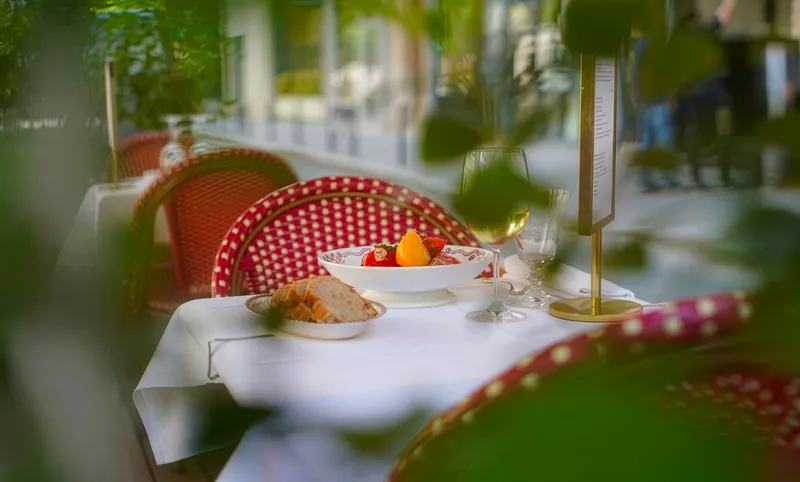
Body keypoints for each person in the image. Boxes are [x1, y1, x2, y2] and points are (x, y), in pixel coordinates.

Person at [674, 0, 738, 189]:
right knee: (724, 134)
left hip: (692, 95)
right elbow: (723, 16)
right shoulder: (705, 34)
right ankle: (724, 176)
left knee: (696, 135)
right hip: (716, 95)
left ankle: (697, 177)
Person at [631, 13, 680, 192]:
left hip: (646, 99)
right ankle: (668, 175)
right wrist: (669, 96)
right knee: (664, 136)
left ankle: (645, 175)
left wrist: (638, 96)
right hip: (658, 99)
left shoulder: (639, 46)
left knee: (647, 138)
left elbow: (637, 74)